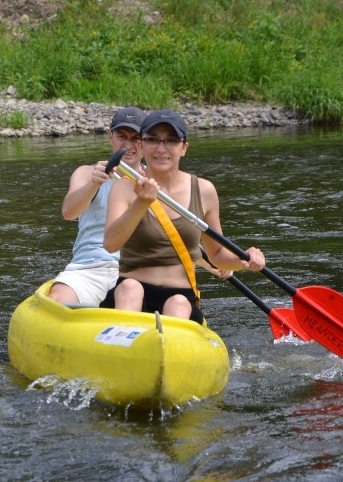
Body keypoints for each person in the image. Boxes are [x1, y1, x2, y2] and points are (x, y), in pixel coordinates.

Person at [101, 109, 265, 323]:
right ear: (142, 145)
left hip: (181, 297)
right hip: (130, 292)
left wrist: (243, 259)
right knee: (130, 289)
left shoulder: (204, 190)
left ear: (184, 147)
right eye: (152, 140)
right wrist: (141, 202)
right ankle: (122, 344)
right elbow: (111, 244)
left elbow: (217, 256)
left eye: (170, 140)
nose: (161, 149)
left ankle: (170, 348)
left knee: (177, 303)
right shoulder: (123, 188)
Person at [47, 107, 147, 305]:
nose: (128, 145)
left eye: (136, 138)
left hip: (136, 270)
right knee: (58, 299)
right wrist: (94, 183)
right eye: (122, 136)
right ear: (110, 137)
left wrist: (209, 263)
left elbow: (174, 231)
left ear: (146, 142)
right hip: (88, 267)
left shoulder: (154, 182)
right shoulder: (86, 173)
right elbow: (68, 213)